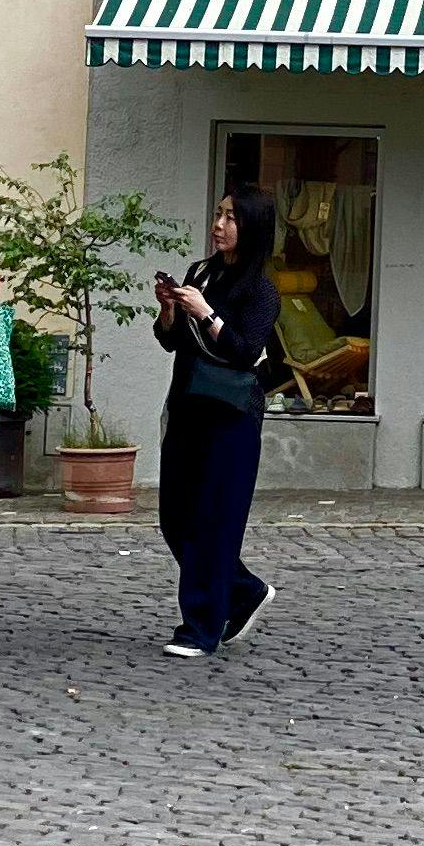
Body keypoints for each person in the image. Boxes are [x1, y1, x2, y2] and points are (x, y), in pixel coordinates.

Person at [154, 187, 285, 658]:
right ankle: (244, 590)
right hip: (188, 406)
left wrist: (205, 312)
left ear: (251, 227)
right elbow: (172, 343)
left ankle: (199, 629)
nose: (220, 224)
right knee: (175, 517)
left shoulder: (261, 291)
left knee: (213, 522)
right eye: (218, 213)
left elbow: (245, 350)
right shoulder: (201, 273)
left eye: (231, 217)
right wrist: (170, 309)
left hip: (232, 417)